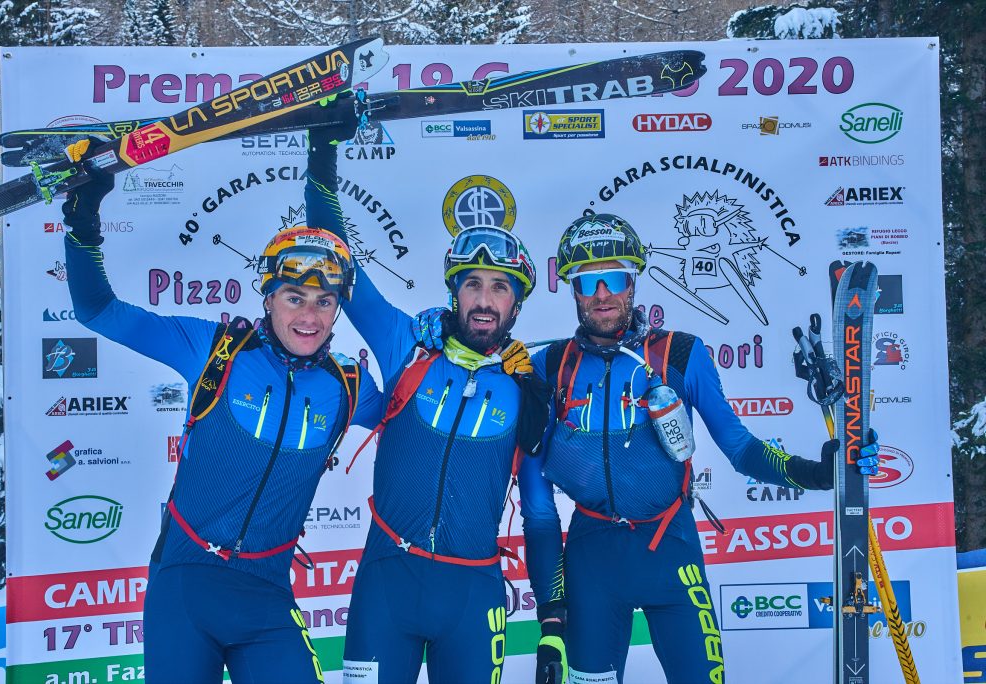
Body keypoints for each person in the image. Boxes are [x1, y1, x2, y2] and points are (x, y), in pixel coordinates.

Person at [413, 213, 880, 684]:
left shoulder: (680, 354)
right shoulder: (546, 369)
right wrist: (552, 617)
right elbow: (537, 510)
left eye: (613, 278)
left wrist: (812, 472)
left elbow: (739, 448)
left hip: (670, 548)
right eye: (588, 281)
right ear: (573, 290)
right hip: (593, 562)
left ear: (633, 283)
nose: (602, 294)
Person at [59, 127, 383, 683]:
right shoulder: (214, 351)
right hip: (184, 589)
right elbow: (97, 311)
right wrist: (83, 220)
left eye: (324, 301)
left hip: (267, 599)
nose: (309, 315)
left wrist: (445, 337)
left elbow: (423, 415)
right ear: (267, 297)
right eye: (294, 297)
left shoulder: (349, 386)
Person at [299, 113, 563, 683]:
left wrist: (553, 624)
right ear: (454, 292)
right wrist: (323, 152)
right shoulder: (404, 345)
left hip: (475, 595)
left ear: (517, 306)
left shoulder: (530, 385)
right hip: (386, 585)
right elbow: (336, 253)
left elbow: (540, 514)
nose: (485, 300)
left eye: (501, 288)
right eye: (473, 283)